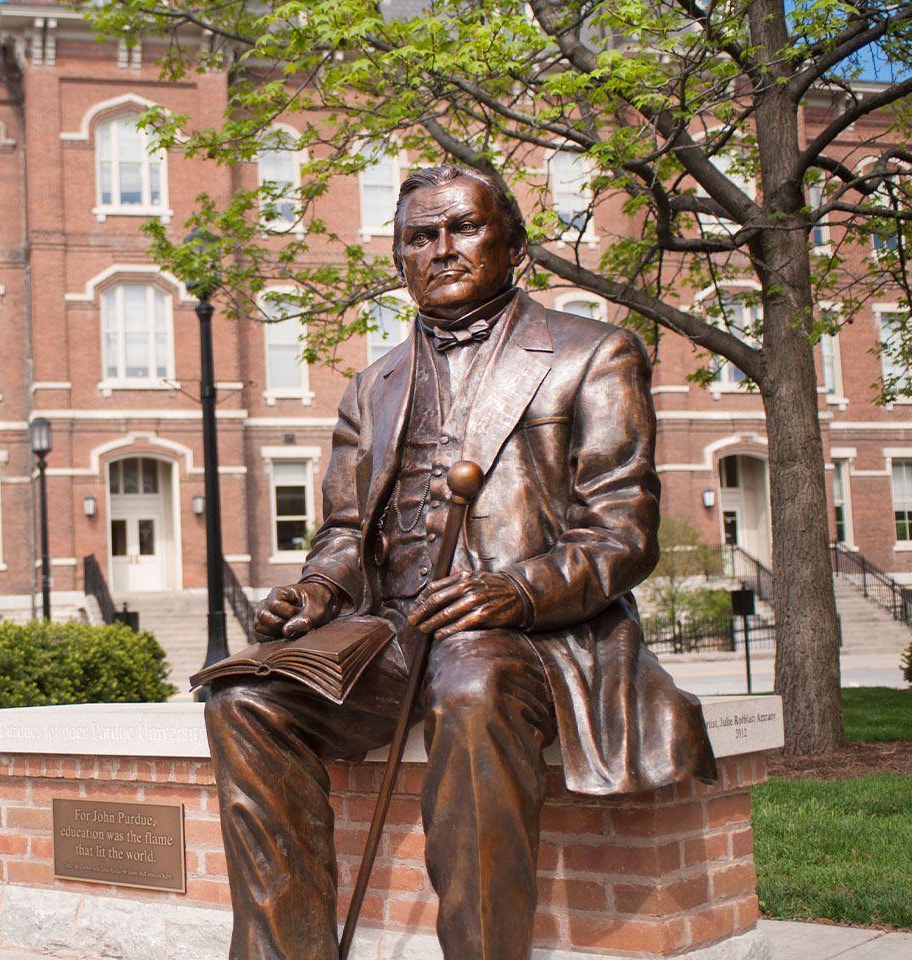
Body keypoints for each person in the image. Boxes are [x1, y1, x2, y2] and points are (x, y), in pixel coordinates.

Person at [205, 165, 717, 960]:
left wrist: (515, 589)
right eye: (419, 236)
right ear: (398, 259)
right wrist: (314, 591)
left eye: (463, 228)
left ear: (512, 242)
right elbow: (344, 532)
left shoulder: (594, 353)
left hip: (530, 631)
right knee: (245, 700)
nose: (441, 249)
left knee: (472, 685)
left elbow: (623, 530)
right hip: (391, 630)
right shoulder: (371, 386)